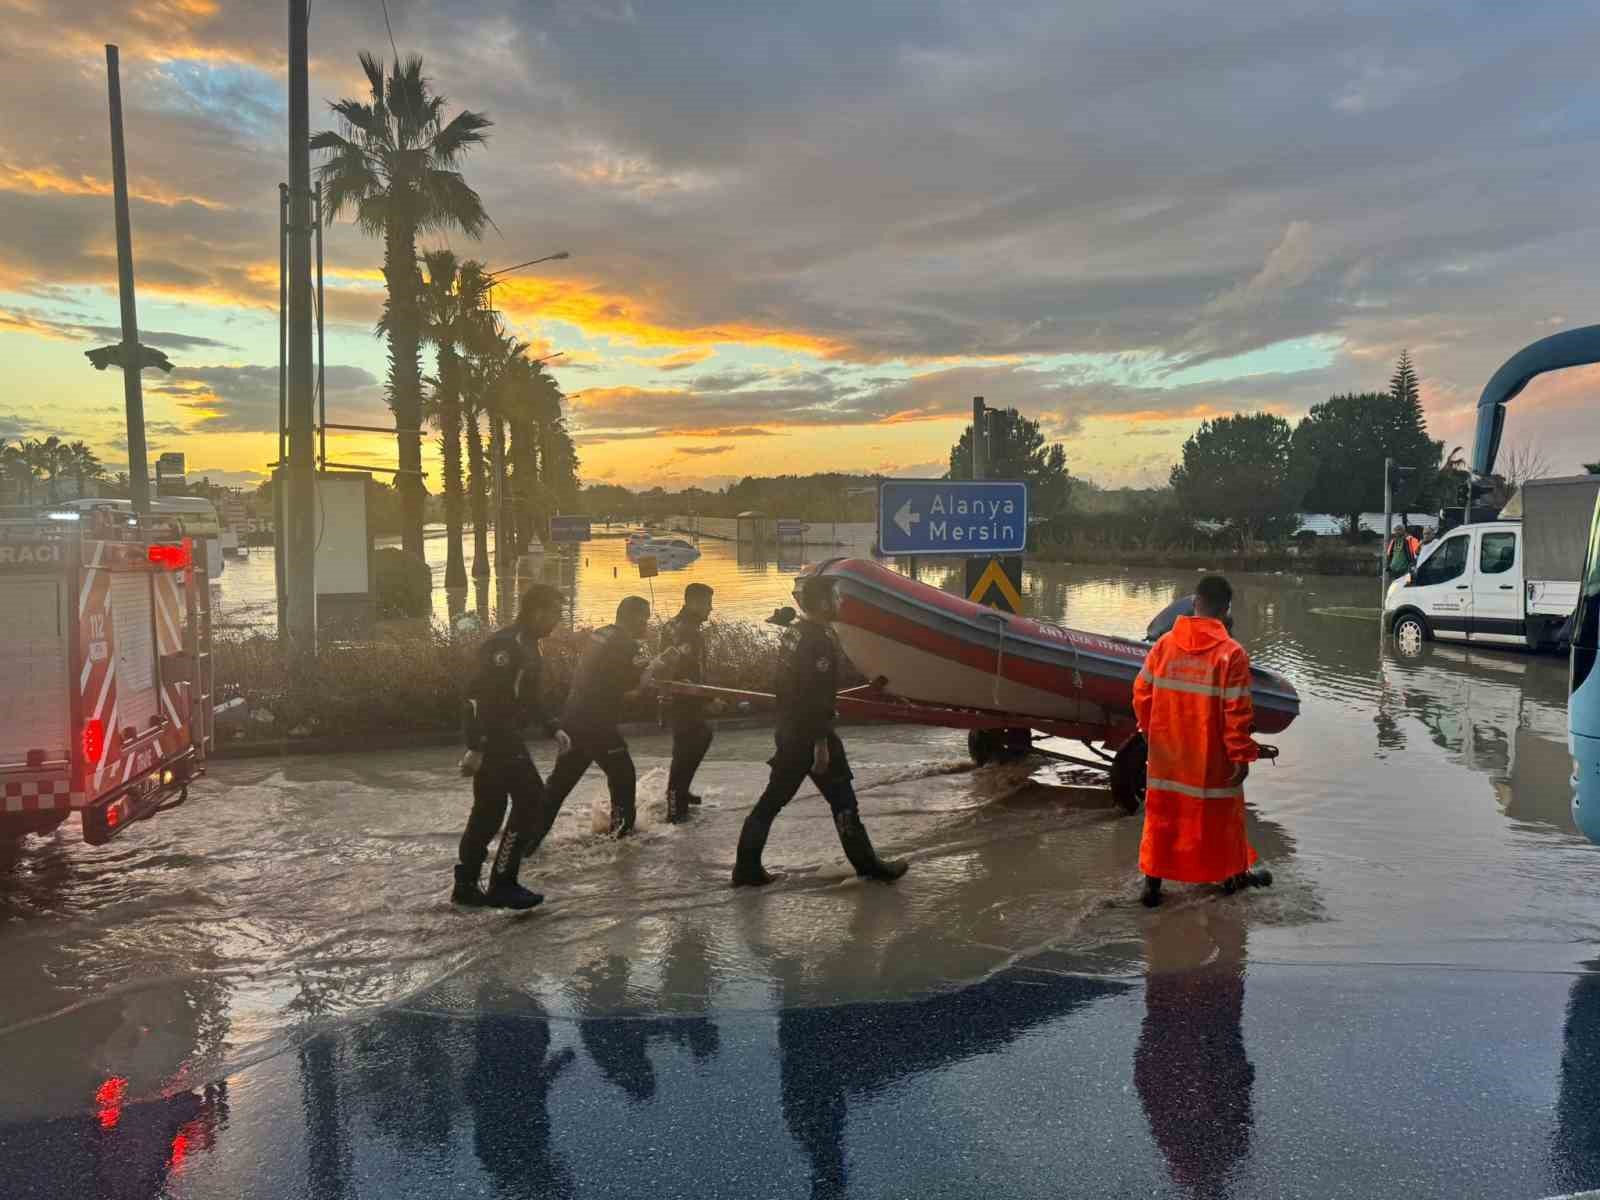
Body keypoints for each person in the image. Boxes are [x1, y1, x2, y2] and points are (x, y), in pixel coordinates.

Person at [732, 573, 907, 887]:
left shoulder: (794, 634)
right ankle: (868, 867)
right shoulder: (818, 641)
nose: (840, 602)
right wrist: (821, 743)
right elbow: (814, 696)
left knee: (773, 801)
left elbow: (787, 688)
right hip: (811, 735)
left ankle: (746, 867)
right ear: (823, 601)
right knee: (842, 802)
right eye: (836, 597)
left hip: (789, 730)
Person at [1133, 574, 1271, 908]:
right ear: (1225, 611)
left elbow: (1141, 693)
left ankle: (1152, 886)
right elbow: (1237, 712)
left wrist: (1151, 734)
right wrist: (1242, 755)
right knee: (1222, 818)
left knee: (1163, 817)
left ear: (1195, 603)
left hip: (1167, 754)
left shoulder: (1164, 645)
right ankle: (1233, 877)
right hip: (1211, 759)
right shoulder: (1231, 653)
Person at [453, 583, 566, 910]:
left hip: (503, 736)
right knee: (531, 799)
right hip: (497, 738)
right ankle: (503, 882)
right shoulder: (506, 645)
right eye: (556, 614)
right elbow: (477, 697)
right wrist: (476, 746)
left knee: (488, 812)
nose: (557, 621)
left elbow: (528, 697)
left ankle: (466, 885)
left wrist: (552, 727)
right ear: (537, 612)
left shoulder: (530, 645)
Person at [533, 596, 656, 857]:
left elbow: (603, 672)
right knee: (623, 775)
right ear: (632, 617)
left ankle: (526, 843)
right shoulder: (625, 643)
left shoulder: (602, 634)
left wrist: (637, 669)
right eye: (645, 617)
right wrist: (648, 677)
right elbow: (628, 690)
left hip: (574, 718)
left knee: (558, 786)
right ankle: (622, 838)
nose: (647, 622)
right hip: (596, 724)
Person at [658, 582, 720, 823]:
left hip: (677, 697)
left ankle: (680, 791)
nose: (711, 609)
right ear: (693, 602)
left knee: (697, 740)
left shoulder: (675, 624)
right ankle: (675, 805)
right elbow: (687, 672)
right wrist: (709, 699)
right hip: (683, 699)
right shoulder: (688, 631)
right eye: (707, 603)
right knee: (687, 749)